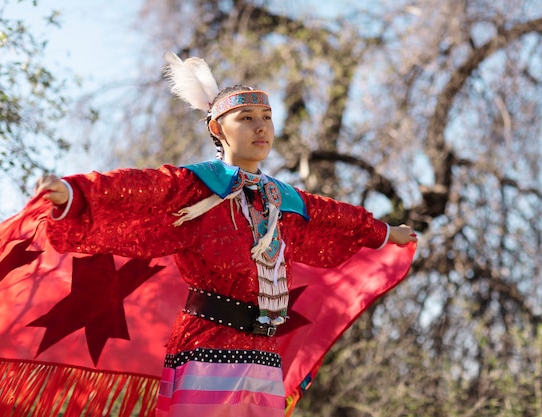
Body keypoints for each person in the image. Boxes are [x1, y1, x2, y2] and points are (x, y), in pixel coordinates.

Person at [34, 53, 418, 417]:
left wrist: (383, 231)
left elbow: (333, 217)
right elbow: (140, 189)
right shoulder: (197, 188)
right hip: (208, 346)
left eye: (266, 116)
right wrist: (75, 193)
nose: (261, 126)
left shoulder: (281, 200)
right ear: (217, 128)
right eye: (246, 117)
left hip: (264, 352)